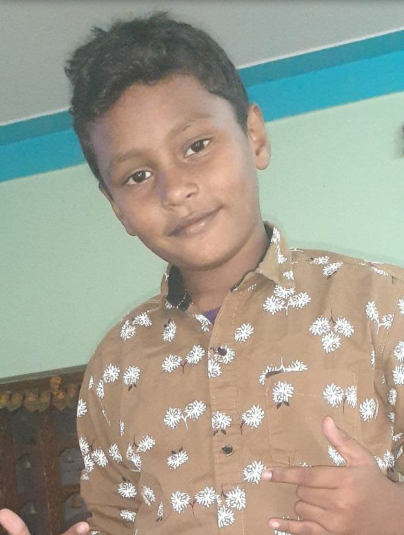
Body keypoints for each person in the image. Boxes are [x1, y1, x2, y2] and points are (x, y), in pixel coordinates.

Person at [2, 11, 404, 535]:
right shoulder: (115, 367)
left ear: (254, 136)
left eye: (196, 146)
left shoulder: (381, 305)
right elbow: (114, 521)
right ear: (116, 207)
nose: (175, 190)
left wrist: (393, 515)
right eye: (138, 175)